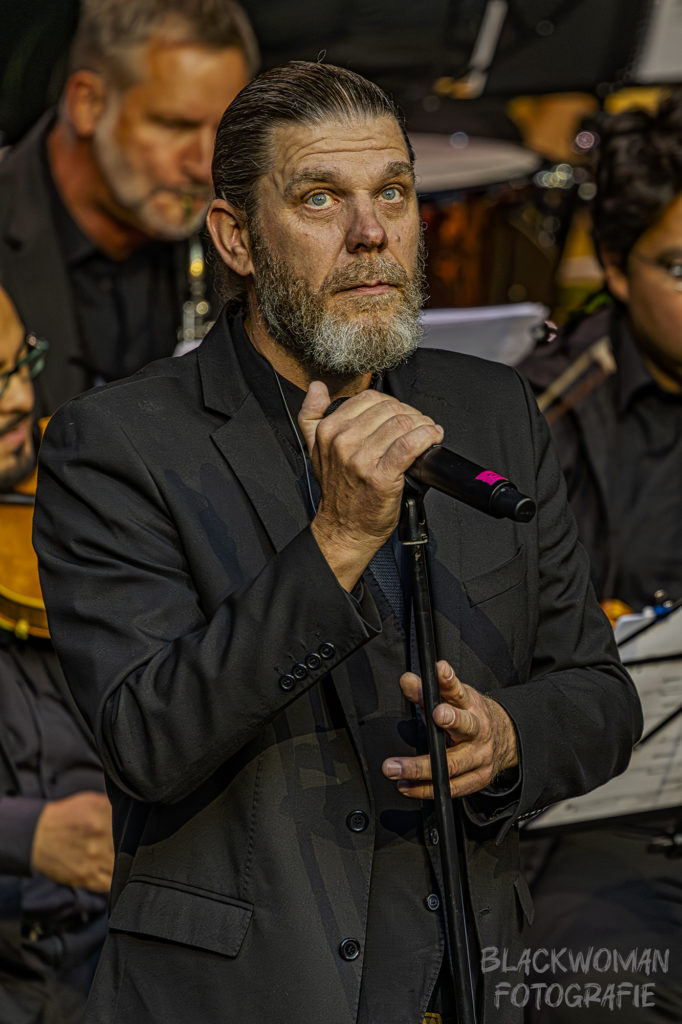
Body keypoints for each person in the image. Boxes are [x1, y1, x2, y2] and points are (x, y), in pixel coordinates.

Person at [33, 62, 642, 1024]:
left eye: (392, 193)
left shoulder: (494, 406)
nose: (371, 232)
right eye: (320, 197)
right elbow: (147, 740)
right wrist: (339, 539)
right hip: (248, 994)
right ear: (236, 237)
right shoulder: (119, 444)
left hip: (467, 983)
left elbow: (601, 696)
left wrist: (510, 738)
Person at [519, 91, 682, 1021]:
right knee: (589, 995)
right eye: (681, 268)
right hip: (606, 823)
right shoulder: (544, 414)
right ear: (615, 269)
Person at [0, 0, 257, 415]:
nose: (205, 165)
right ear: (88, 103)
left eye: (225, 130)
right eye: (175, 125)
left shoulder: (238, 239)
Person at [0, 282, 114, 1023]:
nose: (18, 399)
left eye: (20, 364)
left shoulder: (88, 488)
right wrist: (28, 836)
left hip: (114, 957)